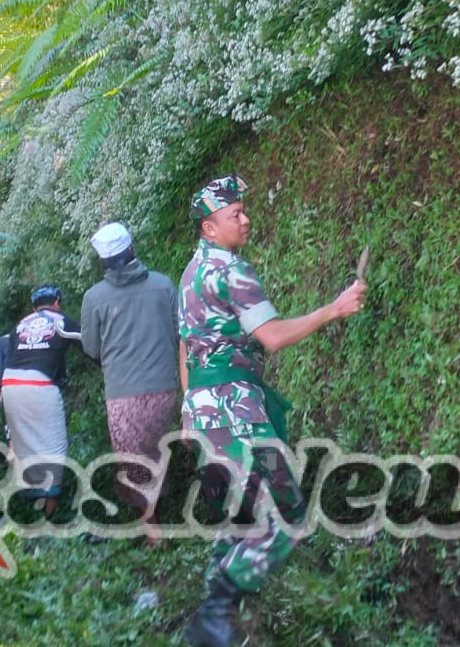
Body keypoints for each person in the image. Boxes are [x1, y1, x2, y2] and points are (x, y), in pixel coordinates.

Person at [177, 173, 366, 647]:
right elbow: (274, 337)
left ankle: (223, 608)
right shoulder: (231, 271)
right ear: (210, 228)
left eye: (243, 210)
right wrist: (334, 308)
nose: (245, 219)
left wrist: (188, 409)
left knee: (247, 512)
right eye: (234, 214)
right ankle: (215, 615)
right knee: (284, 515)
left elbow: (184, 345)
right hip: (234, 411)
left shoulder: (191, 272)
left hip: (205, 409)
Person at [79, 222, 180, 526]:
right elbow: (180, 332)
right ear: (132, 249)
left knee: (132, 460)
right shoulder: (163, 285)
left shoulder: (94, 298)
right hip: (165, 387)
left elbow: (91, 348)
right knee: (155, 450)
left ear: (103, 260)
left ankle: (152, 528)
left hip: (122, 392)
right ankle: (164, 509)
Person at [0, 284, 82, 511]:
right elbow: (90, 347)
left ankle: (31, 504)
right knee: (54, 445)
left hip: (10, 386)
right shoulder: (62, 321)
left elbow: (3, 351)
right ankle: (50, 510)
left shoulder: (21, 324)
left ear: (34, 308)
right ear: (57, 303)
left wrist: (1, 388)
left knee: (25, 444)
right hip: (39, 385)